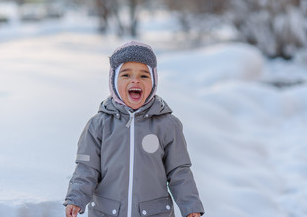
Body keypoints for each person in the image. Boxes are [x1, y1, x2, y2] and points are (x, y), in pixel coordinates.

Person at [64, 41, 205, 217]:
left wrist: (191, 207)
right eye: (126, 75)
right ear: (114, 81)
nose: (135, 80)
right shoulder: (98, 125)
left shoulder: (167, 125)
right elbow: (86, 168)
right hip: (108, 212)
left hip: (155, 212)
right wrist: (75, 198)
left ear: (153, 82)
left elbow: (179, 171)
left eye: (144, 76)